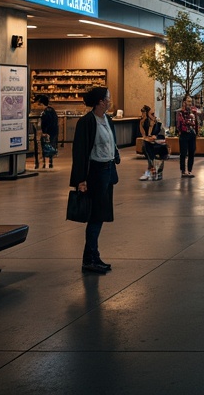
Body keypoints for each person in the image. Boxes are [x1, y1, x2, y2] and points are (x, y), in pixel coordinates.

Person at [69, 86, 120, 274]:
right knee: (95, 216)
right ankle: (89, 258)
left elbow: (111, 144)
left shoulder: (108, 120)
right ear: (100, 102)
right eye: (108, 97)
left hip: (107, 170)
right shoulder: (87, 122)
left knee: (101, 215)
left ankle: (93, 256)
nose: (110, 100)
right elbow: (80, 152)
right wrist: (80, 179)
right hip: (95, 173)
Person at [138, 104, 168, 180]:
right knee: (146, 146)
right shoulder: (145, 123)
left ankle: (155, 171)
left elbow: (161, 135)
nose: (153, 116)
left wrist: (154, 137)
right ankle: (151, 171)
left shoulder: (158, 122)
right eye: (151, 114)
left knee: (155, 150)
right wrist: (142, 123)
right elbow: (145, 135)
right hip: (150, 143)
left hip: (159, 142)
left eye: (153, 114)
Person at [176, 95, 199, 177]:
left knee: (192, 152)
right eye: (188, 101)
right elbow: (180, 123)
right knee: (183, 153)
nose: (190, 103)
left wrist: (196, 131)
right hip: (184, 134)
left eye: (191, 101)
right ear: (184, 102)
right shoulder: (180, 112)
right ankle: (183, 170)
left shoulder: (194, 111)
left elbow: (196, 121)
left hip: (192, 134)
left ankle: (189, 170)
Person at [36, 94, 59, 169]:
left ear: (42, 103)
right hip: (54, 131)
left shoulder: (45, 112)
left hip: (48, 132)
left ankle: (44, 163)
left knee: (44, 146)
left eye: (39, 104)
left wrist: (45, 132)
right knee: (51, 146)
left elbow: (45, 123)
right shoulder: (52, 110)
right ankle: (50, 162)